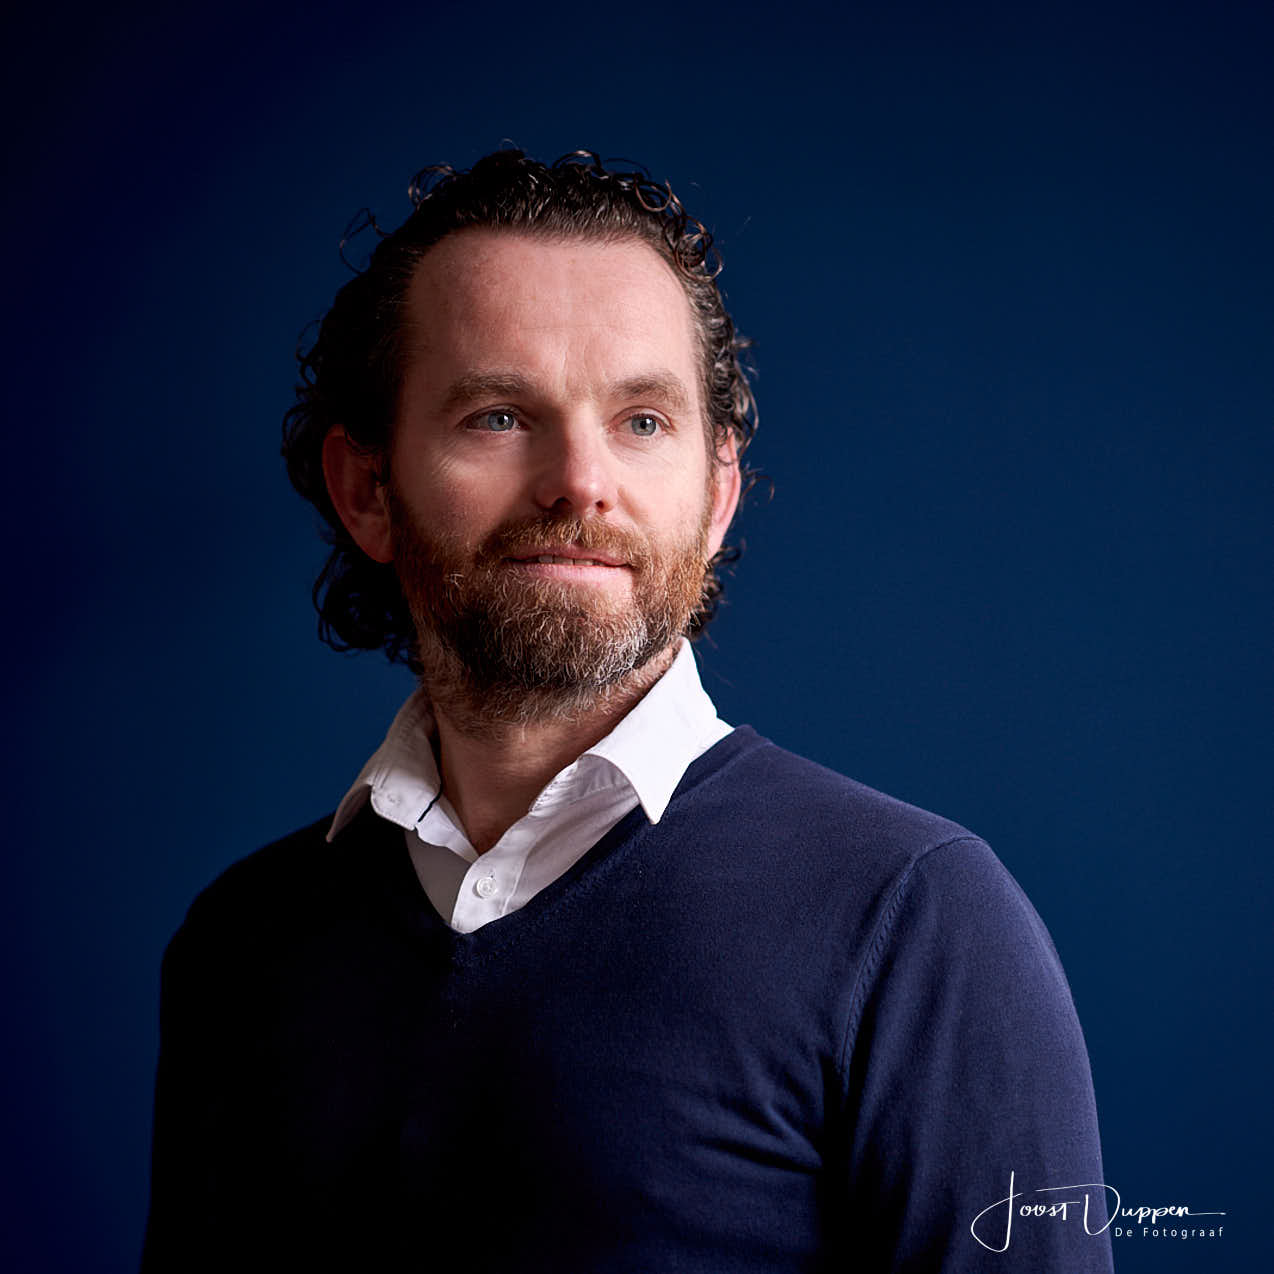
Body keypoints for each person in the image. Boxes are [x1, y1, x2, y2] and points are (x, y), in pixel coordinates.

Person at [141, 149, 1114, 1272]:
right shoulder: (239, 944)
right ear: (367, 489)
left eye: (642, 420)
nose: (580, 480)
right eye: (498, 415)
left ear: (716, 494)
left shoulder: (916, 923)